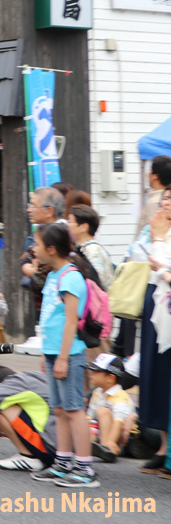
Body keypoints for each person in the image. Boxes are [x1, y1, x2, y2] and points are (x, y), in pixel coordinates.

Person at [30, 222, 97, 488]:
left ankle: (84, 467)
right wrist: (47, 354)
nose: (33, 249)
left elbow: (71, 322)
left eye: (37, 244)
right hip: (54, 353)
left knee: (74, 409)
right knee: (59, 409)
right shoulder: (55, 274)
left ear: (52, 248)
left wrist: (62, 357)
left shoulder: (70, 276)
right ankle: (63, 461)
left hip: (68, 355)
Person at [137, 197, 171, 475]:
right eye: (164, 199)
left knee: (166, 373)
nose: (166, 204)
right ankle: (162, 446)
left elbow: (161, 266)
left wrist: (159, 239)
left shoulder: (162, 234)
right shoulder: (157, 228)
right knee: (156, 373)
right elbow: (141, 262)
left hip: (167, 305)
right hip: (154, 302)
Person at [0, 365, 57, 472]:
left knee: (0, 408)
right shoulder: (32, 377)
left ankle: (29, 458)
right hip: (66, 452)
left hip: (51, 451)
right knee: (7, 404)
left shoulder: (12, 385)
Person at [85, 354, 138, 463]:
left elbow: (118, 421)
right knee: (89, 420)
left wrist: (111, 441)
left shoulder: (120, 396)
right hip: (103, 431)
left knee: (103, 411)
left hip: (123, 437)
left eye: (96, 372)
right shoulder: (97, 392)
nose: (91, 374)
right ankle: (94, 447)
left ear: (110, 378)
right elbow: (90, 417)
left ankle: (107, 448)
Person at [67, 204, 113, 290]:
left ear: (83, 227)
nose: (67, 225)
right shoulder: (83, 248)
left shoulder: (93, 251)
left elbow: (96, 284)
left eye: (70, 221)